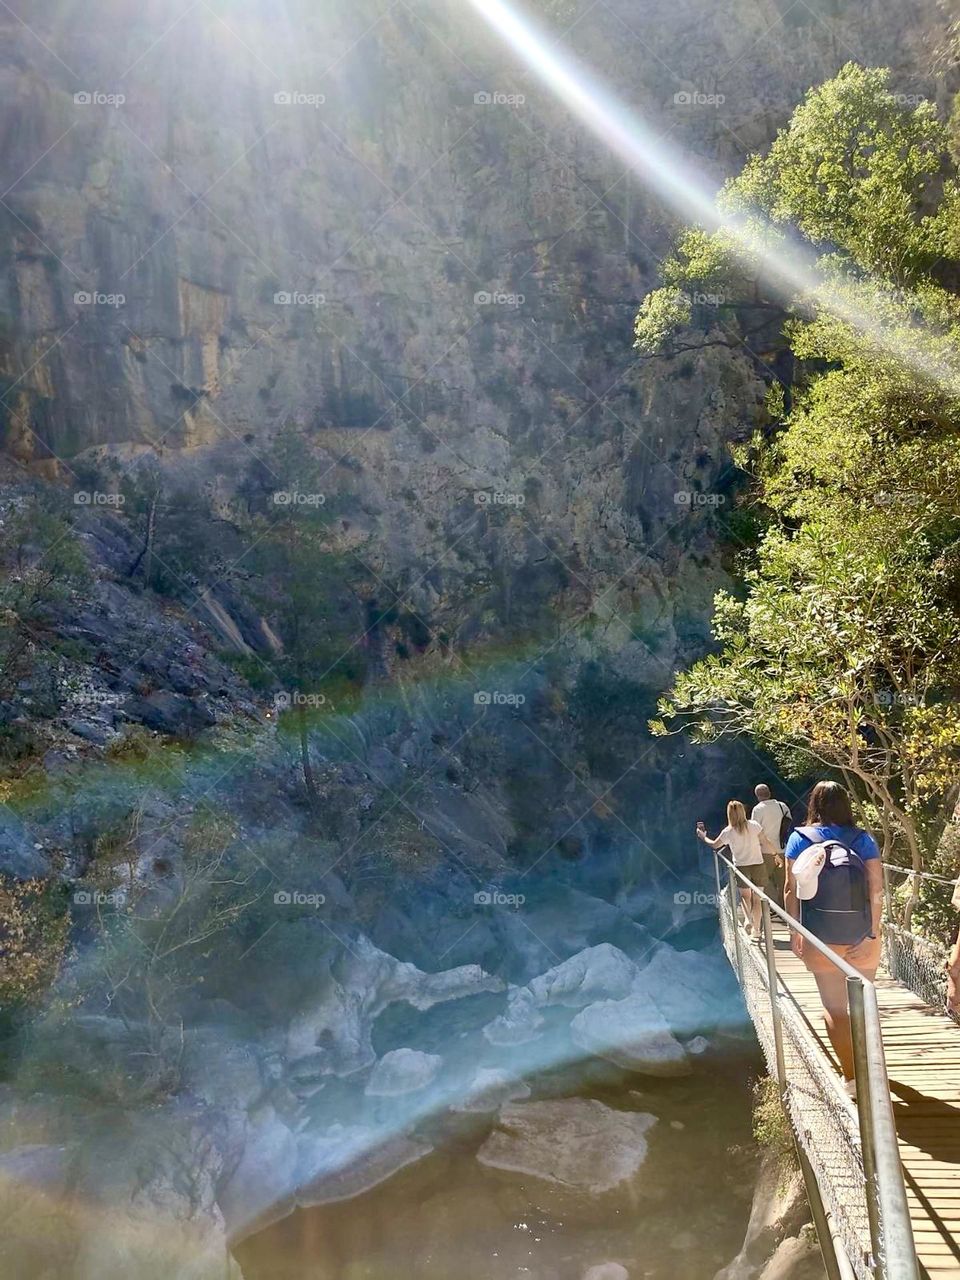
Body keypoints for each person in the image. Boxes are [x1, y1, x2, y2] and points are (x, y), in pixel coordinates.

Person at [784, 781, 883, 1097]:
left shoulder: (799, 839)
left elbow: (790, 891)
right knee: (864, 1007)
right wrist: (872, 934)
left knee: (834, 1008)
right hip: (861, 934)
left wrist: (795, 931)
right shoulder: (863, 839)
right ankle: (873, 1072)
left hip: (820, 936)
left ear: (814, 804)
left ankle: (852, 1078)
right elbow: (876, 890)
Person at [697, 801, 779, 940]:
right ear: (743, 812)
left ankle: (748, 920)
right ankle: (756, 930)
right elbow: (765, 841)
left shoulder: (728, 831)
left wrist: (703, 836)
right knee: (757, 898)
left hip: (742, 867)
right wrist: (775, 854)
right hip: (758, 865)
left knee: (746, 897)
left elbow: (715, 845)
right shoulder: (754, 825)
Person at [751, 784, 789, 902]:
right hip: (782, 849)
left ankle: (772, 905)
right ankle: (783, 907)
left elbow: (754, 830)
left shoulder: (758, 809)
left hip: (765, 851)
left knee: (762, 881)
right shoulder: (782, 806)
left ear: (757, 796)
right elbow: (788, 824)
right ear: (769, 793)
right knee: (783, 882)